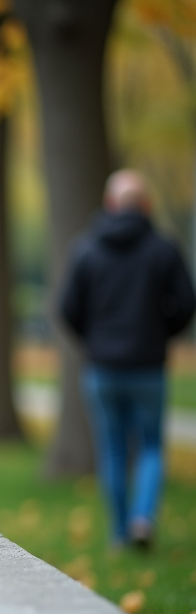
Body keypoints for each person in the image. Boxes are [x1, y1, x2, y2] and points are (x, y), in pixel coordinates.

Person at [60, 169, 196, 549]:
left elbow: (68, 308)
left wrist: (93, 339)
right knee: (151, 445)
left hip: (102, 368)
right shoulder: (164, 249)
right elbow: (187, 303)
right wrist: (163, 332)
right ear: (147, 204)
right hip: (149, 366)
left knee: (114, 448)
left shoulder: (86, 249)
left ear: (110, 204)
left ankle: (120, 534)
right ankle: (142, 518)